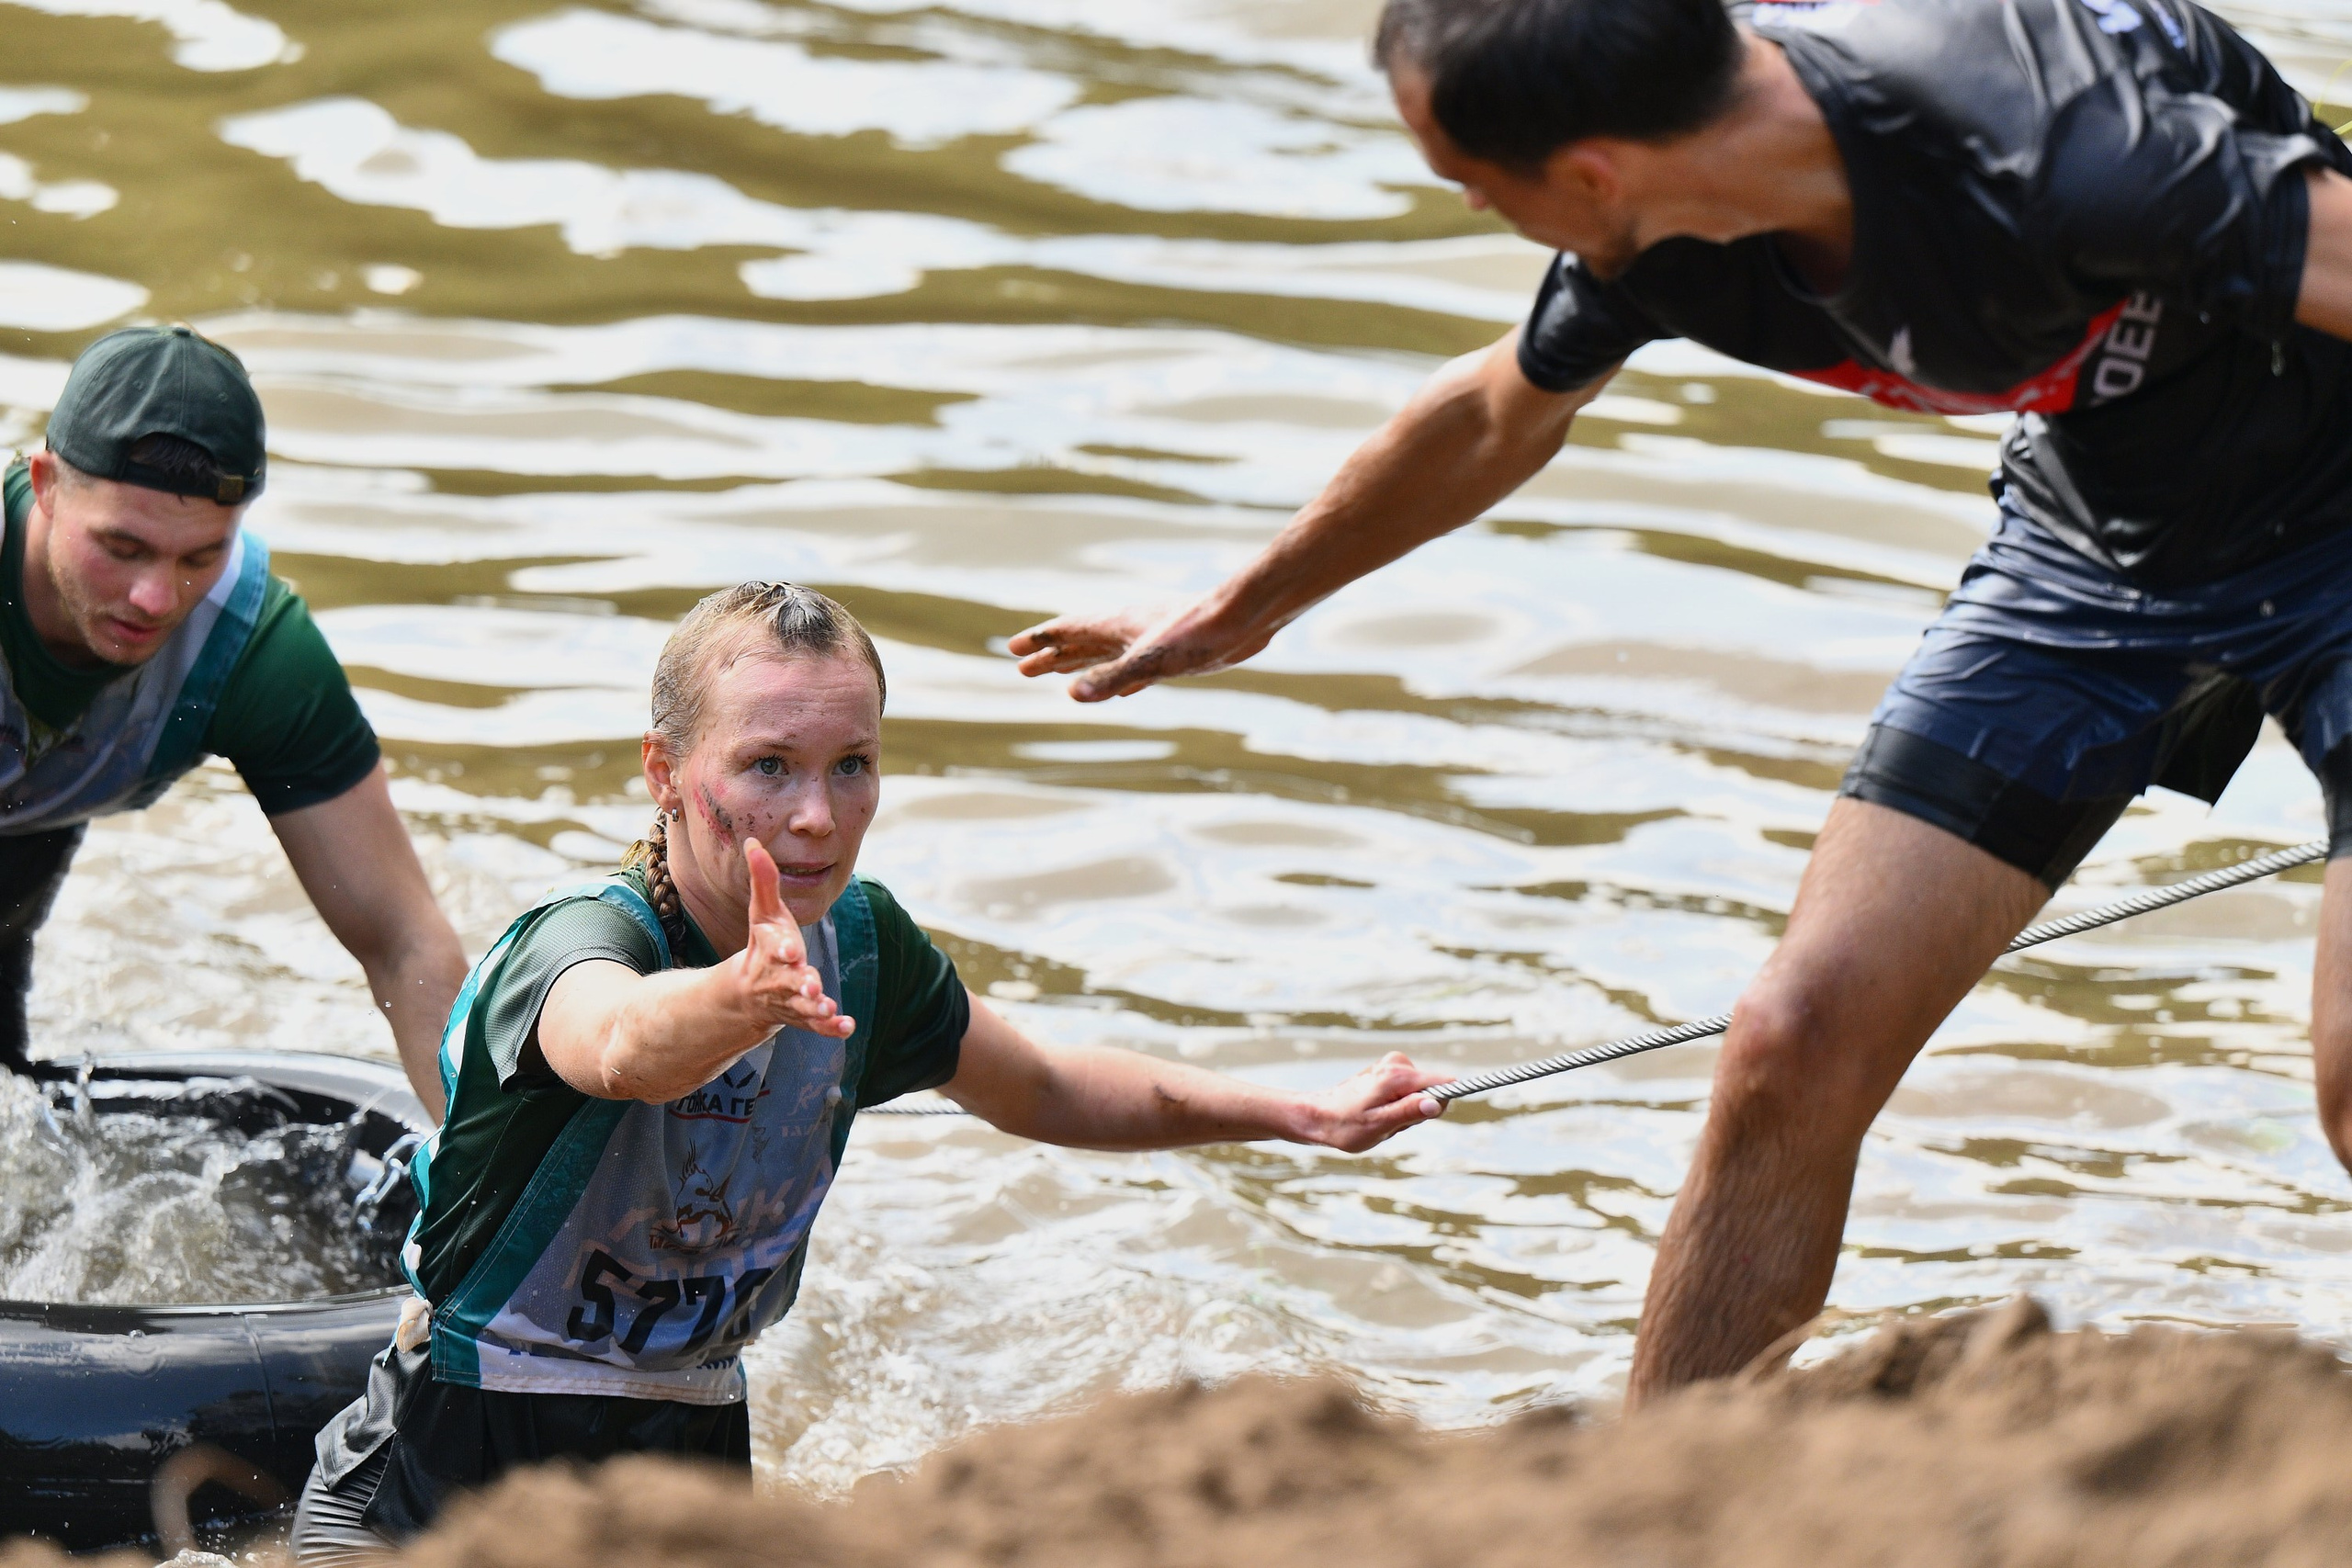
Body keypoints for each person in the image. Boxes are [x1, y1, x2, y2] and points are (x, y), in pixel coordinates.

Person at [1008, 0, 2352, 1403]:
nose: (1476, 208)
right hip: (2097, 540)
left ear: (1590, 171)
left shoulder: (2059, 142)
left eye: (1474, 185)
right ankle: (1665, 1499)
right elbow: (1494, 410)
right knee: (1790, 1038)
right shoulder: (1669, 226)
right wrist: (1244, 605)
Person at [289, 581, 1449, 1558]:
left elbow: (1037, 1086)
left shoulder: (863, 949)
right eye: (766, 766)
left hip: (688, 1447)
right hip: (445, 1459)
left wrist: (1296, 1112)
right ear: (662, 771)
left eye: (852, 766)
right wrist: (737, 1000)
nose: (815, 817)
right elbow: (621, 1045)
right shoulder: (583, 944)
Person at [1, 324, 465, 1114]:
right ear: (46, 484)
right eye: (122, 545)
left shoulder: (251, 652)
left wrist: (495, 1200)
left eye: (197, 557)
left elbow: (405, 946)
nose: (155, 597)